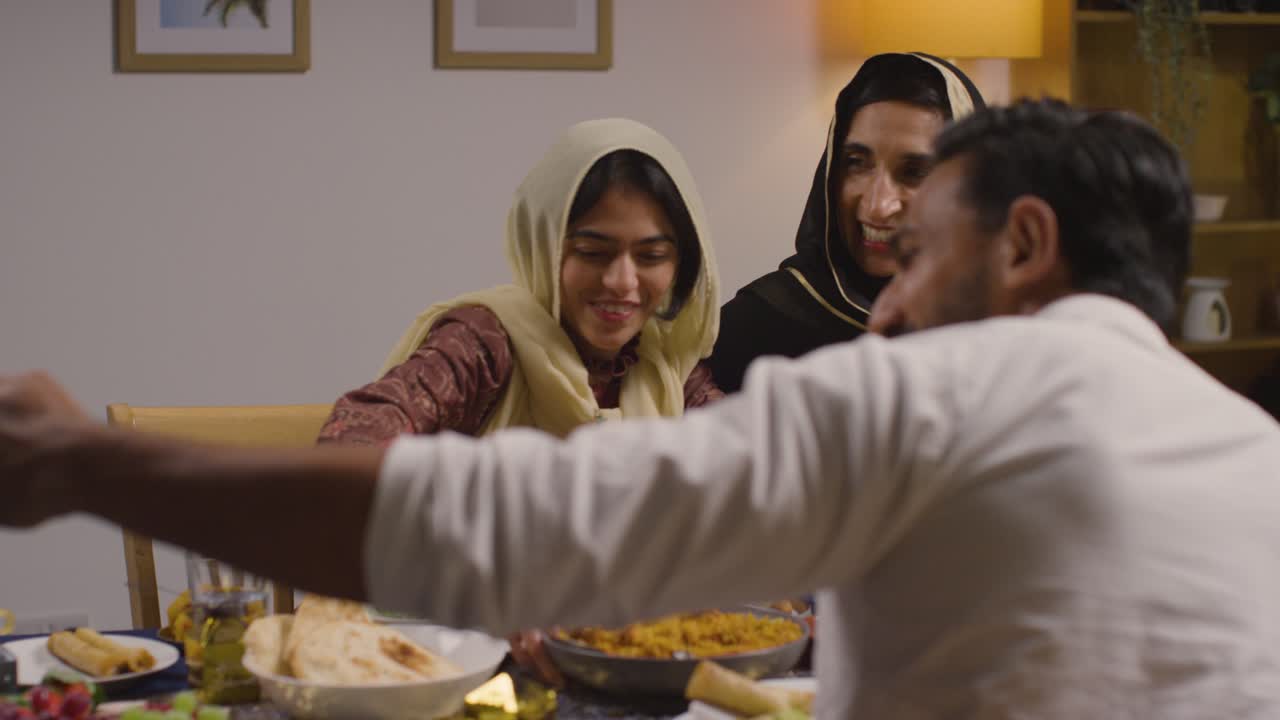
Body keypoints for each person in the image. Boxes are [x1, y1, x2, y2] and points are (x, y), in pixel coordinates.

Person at [6, 100, 1280, 717]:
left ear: (1024, 247)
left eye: (917, 254)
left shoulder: (922, 395)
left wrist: (80, 462)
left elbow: (491, 526)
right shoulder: (1255, 453)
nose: (882, 306)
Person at [314, 118, 723, 684]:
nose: (623, 283)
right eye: (591, 250)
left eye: (651, 256)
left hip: (625, 668)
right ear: (543, 243)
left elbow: (752, 472)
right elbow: (352, 447)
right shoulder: (486, 342)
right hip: (464, 670)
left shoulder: (666, 367)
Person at [705, 52, 985, 392]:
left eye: (913, 172)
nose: (878, 206)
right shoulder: (756, 326)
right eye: (856, 163)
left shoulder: (1003, 326)